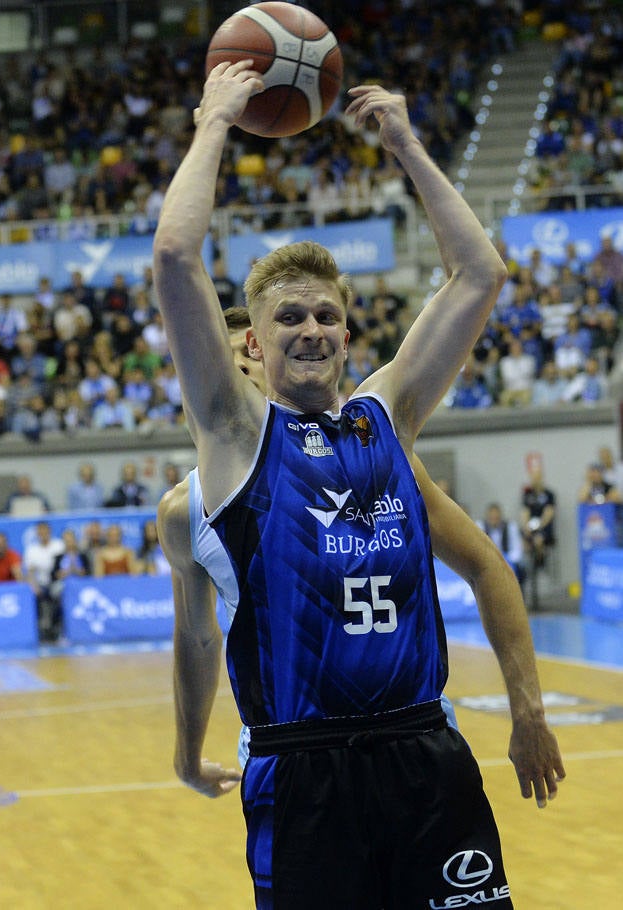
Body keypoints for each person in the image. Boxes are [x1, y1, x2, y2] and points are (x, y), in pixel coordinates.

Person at [153, 69, 527, 907]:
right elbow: (176, 259)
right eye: (288, 317)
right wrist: (214, 123)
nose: (310, 329)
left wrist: (406, 145)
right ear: (250, 343)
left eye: (324, 314)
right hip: (303, 769)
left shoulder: (383, 419)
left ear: (347, 334)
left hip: (424, 753)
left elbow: (477, 276)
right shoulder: (233, 436)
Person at [477, 502, 527, 585]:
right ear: (487, 517)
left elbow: (517, 550)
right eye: (491, 517)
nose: (494, 520)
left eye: (496, 517)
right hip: (487, 562)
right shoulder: (480, 527)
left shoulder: (510, 526)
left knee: (520, 570)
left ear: (500, 516)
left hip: (507, 562)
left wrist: (505, 561)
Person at [521, 465, 557, 571]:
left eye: (537, 477)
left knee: (538, 540)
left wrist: (539, 526)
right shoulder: (528, 494)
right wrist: (526, 526)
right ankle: (525, 569)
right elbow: (525, 511)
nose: (535, 480)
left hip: (544, 526)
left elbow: (549, 513)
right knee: (523, 540)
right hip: (531, 525)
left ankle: (540, 561)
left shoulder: (549, 494)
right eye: (533, 478)